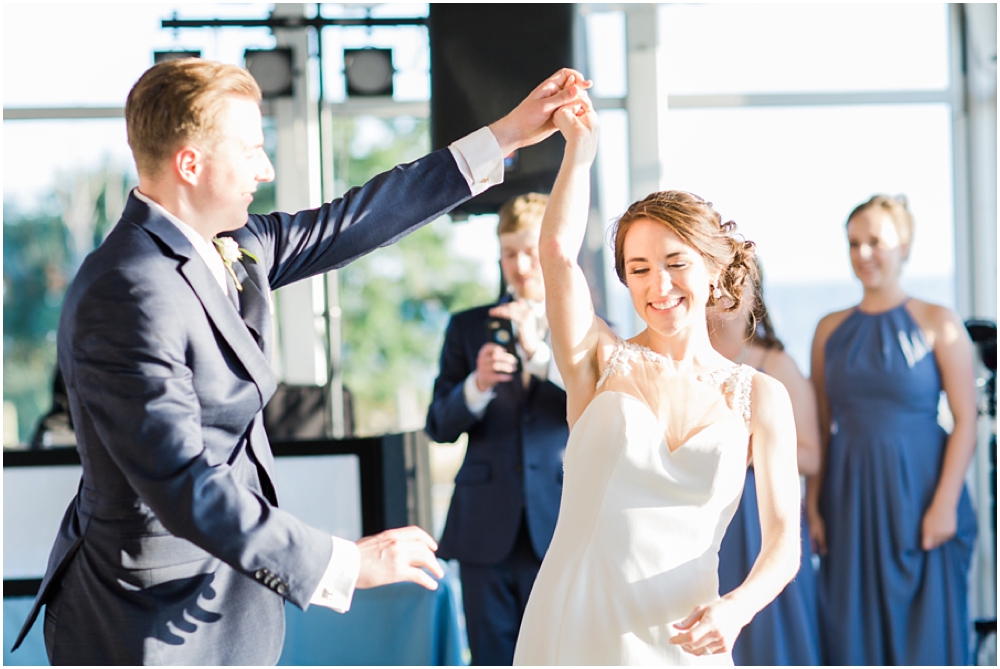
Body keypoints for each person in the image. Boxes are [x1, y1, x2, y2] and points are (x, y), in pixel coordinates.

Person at [11, 58, 591, 665]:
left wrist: (506, 135)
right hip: (147, 620)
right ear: (190, 164)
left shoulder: (236, 244)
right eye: (251, 150)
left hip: (229, 600)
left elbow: (356, 220)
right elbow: (181, 480)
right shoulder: (126, 289)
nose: (264, 169)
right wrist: (346, 563)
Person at [512, 90, 802, 665]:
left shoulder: (761, 397)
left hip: (686, 634)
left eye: (675, 263)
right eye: (639, 269)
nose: (658, 285)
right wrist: (580, 152)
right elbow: (557, 253)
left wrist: (736, 609)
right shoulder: (597, 360)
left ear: (713, 270)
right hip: (578, 630)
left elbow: (783, 543)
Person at [805, 195, 978, 665]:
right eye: (853, 243)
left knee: (928, 634)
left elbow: (966, 419)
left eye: (875, 241)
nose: (863, 253)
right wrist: (813, 504)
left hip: (921, 495)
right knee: (850, 629)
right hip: (848, 499)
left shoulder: (938, 321)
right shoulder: (828, 330)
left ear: (904, 245)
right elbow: (820, 421)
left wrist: (945, 505)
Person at [425, 193, 568, 665]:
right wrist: (476, 385)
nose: (520, 266)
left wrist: (540, 357)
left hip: (563, 522)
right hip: (484, 529)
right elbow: (438, 425)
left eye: (530, 251)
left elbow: (599, 408)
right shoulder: (467, 328)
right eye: (509, 253)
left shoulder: (585, 328)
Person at [708, 259, 822, 665]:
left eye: (734, 284)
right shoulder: (690, 360)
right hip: (705, 514)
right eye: (716, 284)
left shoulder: (775, 365)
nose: (722, 295)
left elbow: (811, 454)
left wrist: (750, 451)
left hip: (757, 518)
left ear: (753, 294)